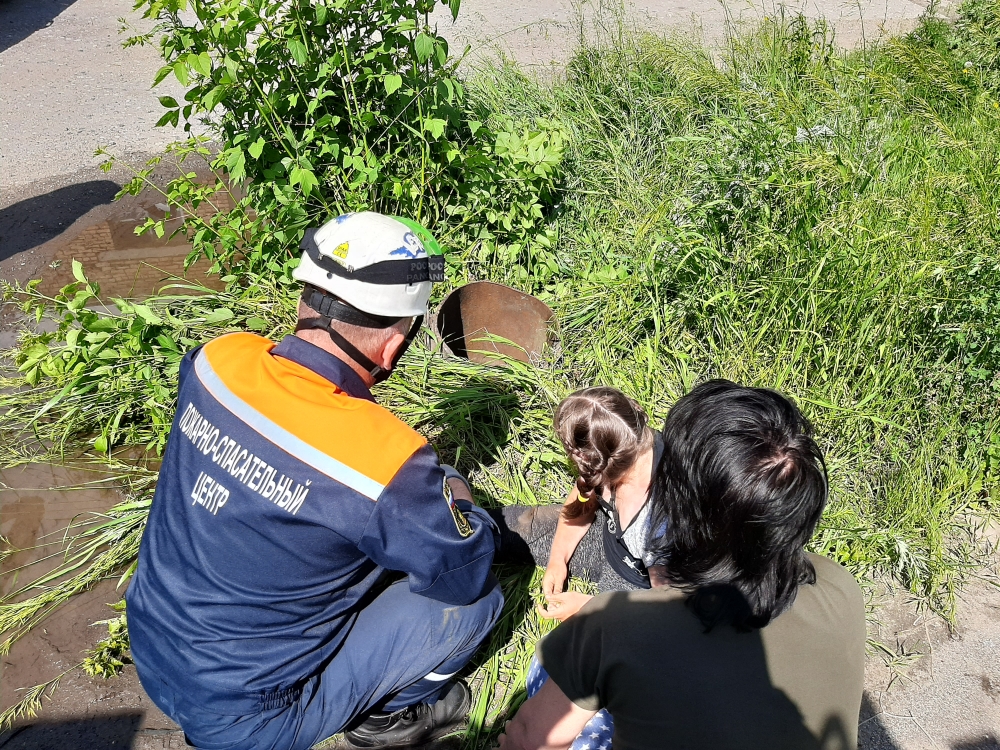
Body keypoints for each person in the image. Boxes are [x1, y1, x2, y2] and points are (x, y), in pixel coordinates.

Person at [125, 212, 503, 750]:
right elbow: (463, 572)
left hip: (152, 645)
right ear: (394, 345)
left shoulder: (216, 360)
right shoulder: (384, 458)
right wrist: (460, 494)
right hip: (249, 720)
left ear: (307, 297)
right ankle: (385, 717)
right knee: (474, 607)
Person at [501, 380, 867, 750]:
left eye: (669, 470)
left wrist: (592, 615)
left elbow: (527, 738)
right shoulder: (840, 585)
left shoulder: (617, 631)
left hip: (626, 615)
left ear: (681, 516)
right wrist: (560, 560)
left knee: (545, 672)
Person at [491, 387, 666, 623]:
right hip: (608, 537)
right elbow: (582, 496)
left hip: (637, 583)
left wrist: (588, 606)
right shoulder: (624, 444)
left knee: (592, 643)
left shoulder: (659, 525)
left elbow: (668, 608)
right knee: (509, 528)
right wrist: (558, 558)